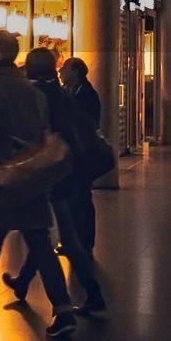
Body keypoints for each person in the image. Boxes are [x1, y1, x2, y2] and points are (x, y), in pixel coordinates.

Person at [0, 30, 78, 338]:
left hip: (2, 177)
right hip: (30, 176)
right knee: (40, 246)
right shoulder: (28, 87)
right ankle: (63, 309)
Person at [4, 48, 106, 315]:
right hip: (65, 173)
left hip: (49, 176)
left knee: (48, 237)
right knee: (52, 236)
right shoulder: (61, 94)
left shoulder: (38, 96)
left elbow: (32, 133)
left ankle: (66, 304)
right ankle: (25, 282)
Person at [60, 56, 101, 252]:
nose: (61, 71)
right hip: (74, 153)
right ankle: (75, 241)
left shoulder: (86, 95)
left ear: (75, 72)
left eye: (65, 68)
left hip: (82, 154)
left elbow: (85, 124)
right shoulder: (71, 92)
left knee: (81, 197)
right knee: (74, 199)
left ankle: (83, 242)